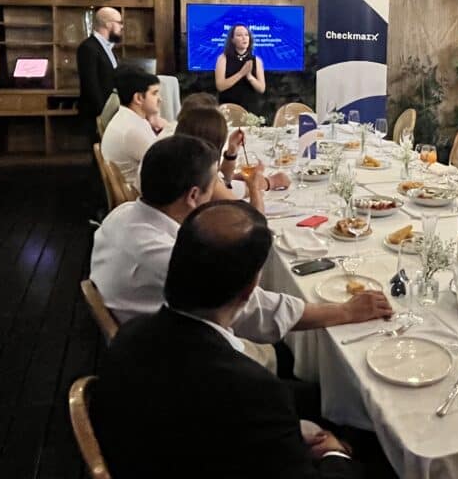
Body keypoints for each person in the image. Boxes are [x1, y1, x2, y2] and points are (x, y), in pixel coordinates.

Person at [93, 199, 363, 478]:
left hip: (156, 450)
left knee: (319, 397)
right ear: (250, 290)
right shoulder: (252, 390)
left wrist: (288, 432)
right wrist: (334, 453)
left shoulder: (129, 336)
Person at [90, 135, 391, 335]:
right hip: (176, 363)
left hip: (143, 338)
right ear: (193, 196)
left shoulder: (122, 214)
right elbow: (254, 309)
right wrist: (345, 311)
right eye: (215, 184)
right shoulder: (166, 257)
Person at [175, 106, 292, 212]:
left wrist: (231, 152)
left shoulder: (185, 162)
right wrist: (256, 187)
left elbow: (225, 180)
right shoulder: (205, 179)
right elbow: (252, 220)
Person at [100, 67, 167, 188]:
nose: (160, 99)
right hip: (141, 193)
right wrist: (168, 129)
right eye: (154, 93)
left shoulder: (127, 118)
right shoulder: (132, 130)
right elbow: (166, 162)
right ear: (138, 98)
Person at [77, 6, 122, 135]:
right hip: (97, 116)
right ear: (108, 24)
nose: (122, 26)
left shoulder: (109, 48)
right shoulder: (88, 47)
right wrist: (103, 115)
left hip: (112, 113)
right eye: (119, 22)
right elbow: (91, 85)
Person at [215, 23, 265, 114]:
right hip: (228, 108)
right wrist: (241, 73)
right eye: (239, 35)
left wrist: (249, 77)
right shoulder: (223, 58)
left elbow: (261, 88)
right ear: (232, 40)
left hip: (250, 109)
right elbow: (220, 86)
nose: (244, 38)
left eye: (246, 35)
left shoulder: (256, 60)